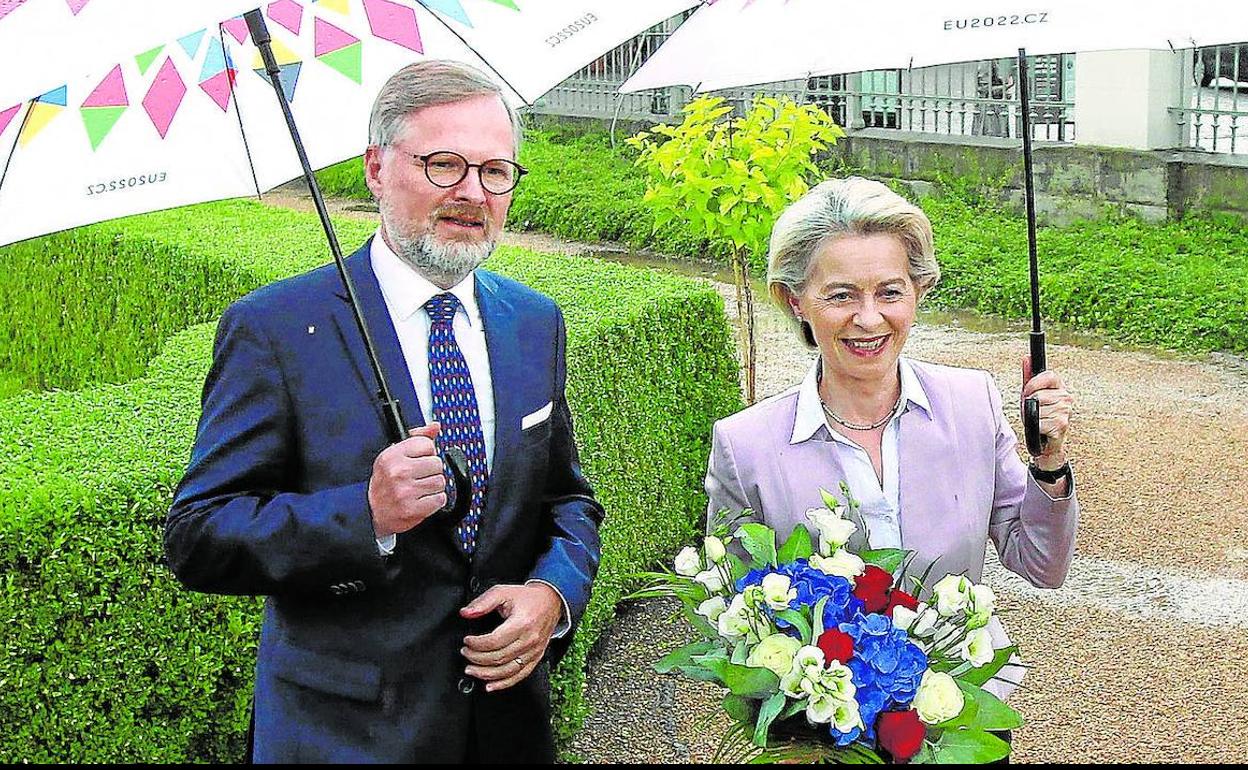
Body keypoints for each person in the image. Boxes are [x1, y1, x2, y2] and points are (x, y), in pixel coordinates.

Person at [165, 60, 603, 763]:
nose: (472, 193)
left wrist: (552, 596)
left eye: (496, 172)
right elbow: (198, 535)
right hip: (343, 737)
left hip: (504, 730)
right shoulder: (276, 329)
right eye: (443, 165)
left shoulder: (533, 322)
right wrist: (363, 515)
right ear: (375, 168)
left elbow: (568, 501)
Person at [704, 177, 1078, 703]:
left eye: (890, 291)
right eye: (840, 295)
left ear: (919, 291)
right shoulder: (746, 448)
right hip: (826, 733)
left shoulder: (972, 403)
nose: (869, 318)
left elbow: (1042, 564)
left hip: (964, 709)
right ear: (794, 301)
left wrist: (1049, 463)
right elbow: (743, 622)